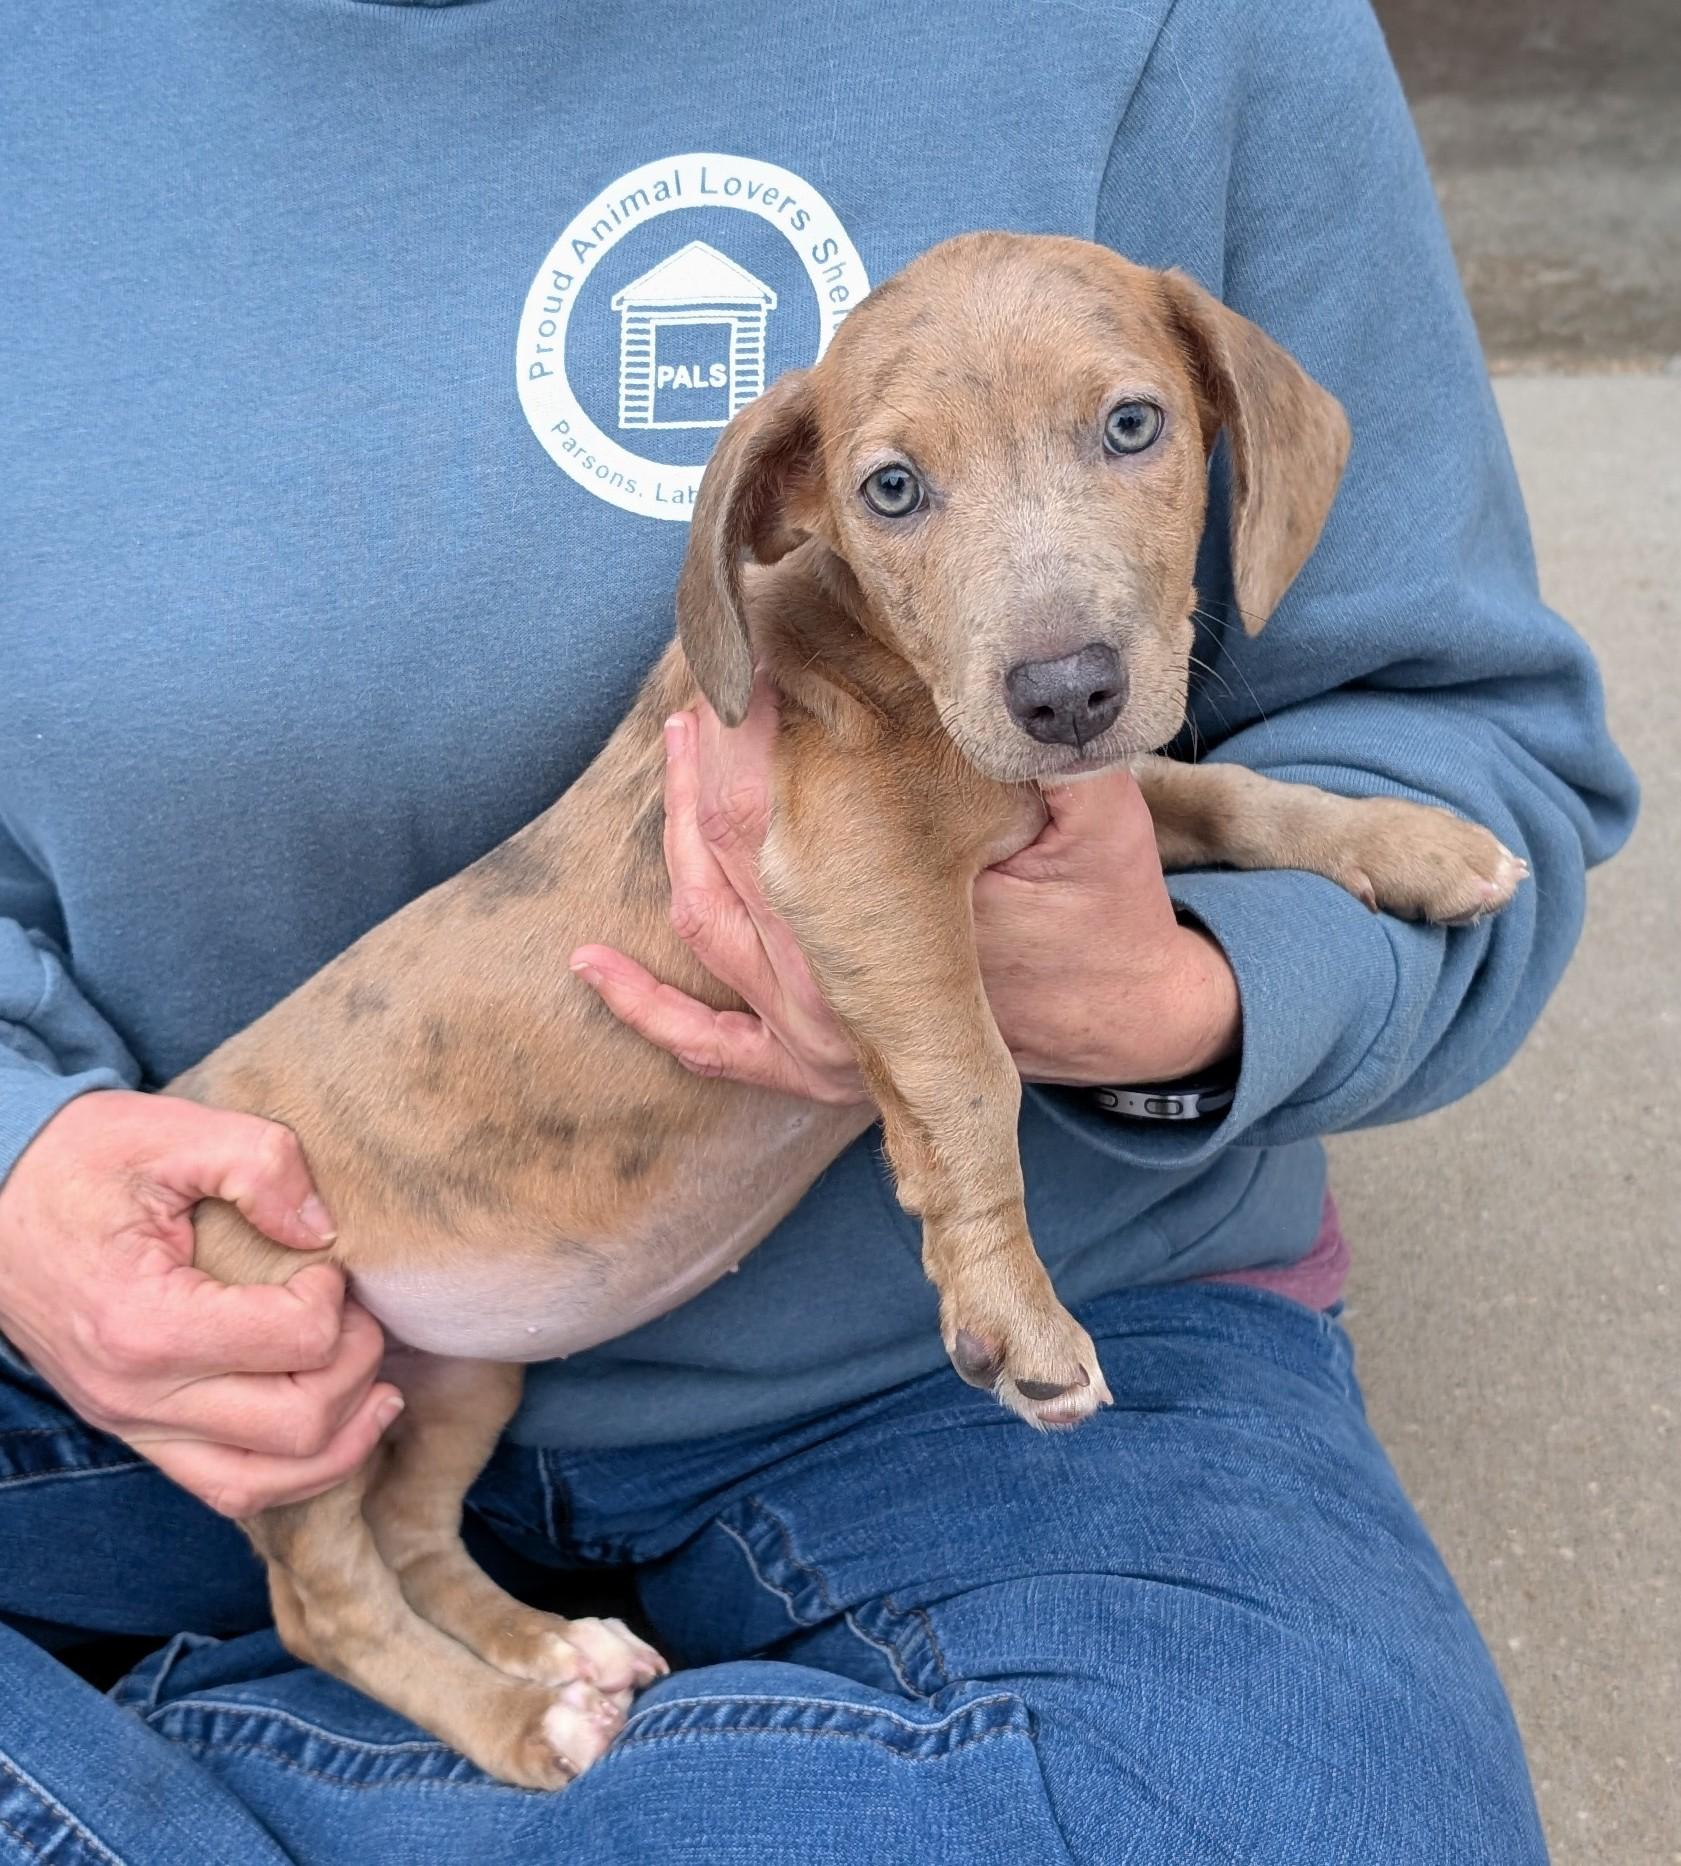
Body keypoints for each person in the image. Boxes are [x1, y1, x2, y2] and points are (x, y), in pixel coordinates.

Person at [0, 0, 1636, 1859]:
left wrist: (1197, 990)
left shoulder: (1187, 37)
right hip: (232, 1285)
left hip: (945, 1403)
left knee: (1297, 1812)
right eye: (897, 490)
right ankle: (446, 1704)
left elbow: (1456, 736)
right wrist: (16, 1157)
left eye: (1125, 431)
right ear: (785, 514)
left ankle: (198, 1772)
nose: (1046, 622)